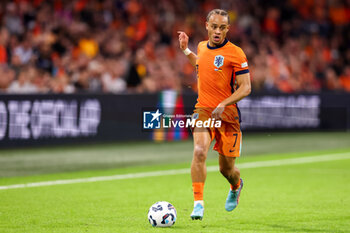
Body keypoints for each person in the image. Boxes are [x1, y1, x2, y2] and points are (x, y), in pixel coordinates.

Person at [178, 9, 251, 220]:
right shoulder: (201, 46)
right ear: (207, 26)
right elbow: (202, 66)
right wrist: (185, 51)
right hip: (203, 110)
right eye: (214, 26)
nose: (217, 31)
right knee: (200, 151)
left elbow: (245, 88)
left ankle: (236, 185)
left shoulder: (236, 53)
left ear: (228, 29)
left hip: (227, 116)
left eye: (222, 27)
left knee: (226, 170)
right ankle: (198, 204)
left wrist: (224, 103)